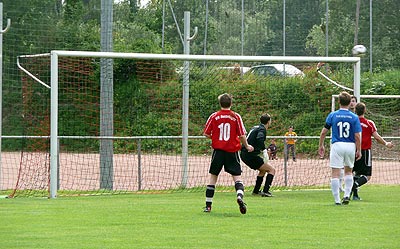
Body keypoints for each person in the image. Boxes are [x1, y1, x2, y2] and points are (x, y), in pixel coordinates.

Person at [203, 93, 254, 214]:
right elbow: (241, 135)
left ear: (220, 103)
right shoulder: (236, 117)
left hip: (218, 151)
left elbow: (206, 133)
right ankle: (239, 197)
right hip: (232, 151)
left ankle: (208, 206)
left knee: (213, 177)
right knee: (237, 177)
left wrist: (216, 138)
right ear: (231, 103)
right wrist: (247, 146)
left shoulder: (214, 116)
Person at [318, 91, 362, 205]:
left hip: (337, 145)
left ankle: (337, 200)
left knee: (335, 173)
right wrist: (359, 150)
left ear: (339, 102)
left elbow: (323, 132)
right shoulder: (354, 117)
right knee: (348, 172)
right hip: (350, 145)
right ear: (350, 103)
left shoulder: (333, 115)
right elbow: (357, 136)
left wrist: (321, 145)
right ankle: (347, 195)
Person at [351, 102, 394, 200]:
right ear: (365, 110)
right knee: (367, 175)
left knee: (355, 173)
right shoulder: (369, 123)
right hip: (365, 151)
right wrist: (386, 143)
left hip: (352, 150)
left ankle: (355, 195)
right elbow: (377, 137)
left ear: (355, 110)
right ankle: (354, 186)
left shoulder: (352, 122)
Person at [240, 113, 276, 197]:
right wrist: (264, 150)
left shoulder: (256, 127)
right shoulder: (262, 129)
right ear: (269, 121)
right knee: (271, 170)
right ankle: (266, 191)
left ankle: (256, 191)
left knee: (262, 170)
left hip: (245, 154)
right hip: (249, 155)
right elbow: (259, 139)